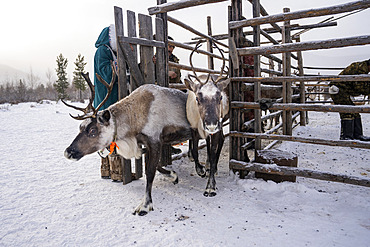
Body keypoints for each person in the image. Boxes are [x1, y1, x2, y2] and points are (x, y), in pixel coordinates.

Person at [94, 25, 120, 179]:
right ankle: (116, 171)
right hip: (106, 99)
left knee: (107, 134)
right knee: (110, 134)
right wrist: (117, 66)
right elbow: (105, 72)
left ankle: (108, 169)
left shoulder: (110, 51)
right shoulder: (103, 51)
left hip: (109, 97)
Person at [329, 59, 370, 141]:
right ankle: (346, 136)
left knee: (354, 111)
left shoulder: (362, 67)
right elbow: (359, 86)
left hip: (344, 90)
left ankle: (357, 134)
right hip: (338, 89)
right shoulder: (361, 69)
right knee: (347, 111)